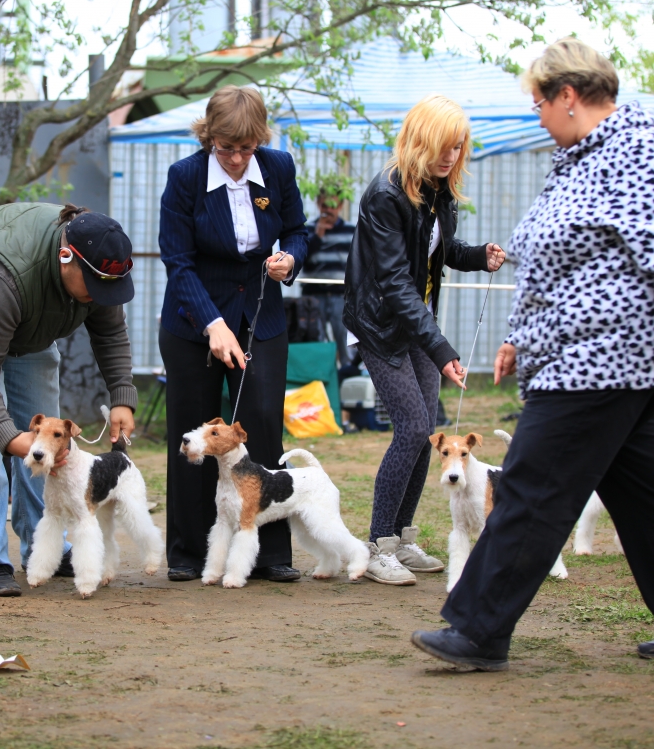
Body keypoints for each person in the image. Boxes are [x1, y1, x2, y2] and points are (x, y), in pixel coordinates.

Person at [412, 38, 654, 671]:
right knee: (653, 495)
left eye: (538, 101)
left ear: (569, 96)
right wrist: (518, 336)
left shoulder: (637, 152)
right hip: (584, 358)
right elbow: (559, 265)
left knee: (530, 487)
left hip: (601, 358)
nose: (535, 115)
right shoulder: (580, 159)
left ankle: (478, 631)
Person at [0, 203, 138, 596]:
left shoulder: (99, 264)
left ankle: (42, 548)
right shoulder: (8, 273)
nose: (100, 296)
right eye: (95, 285)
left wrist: (122, 395)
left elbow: (110, 333)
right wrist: (9, 436)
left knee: (48, 443)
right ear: (65, 257)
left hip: (28, 320)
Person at [343, 94, 506, 586]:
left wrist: (478, 255)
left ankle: (403, 538)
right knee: (413, 428)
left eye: (458, 148)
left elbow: (439, 249)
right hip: (380, 323)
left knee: (427, 430)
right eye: (442, 146)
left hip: (417, 320)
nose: (450, 156)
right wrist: (441, 349)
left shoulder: (440, 189)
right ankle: (377, 546)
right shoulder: (384, 195)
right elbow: (393, 281)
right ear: (418, 140)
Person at [159, 85, 308, 583]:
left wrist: (291, 259)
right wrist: (213, 324)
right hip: (192, 321)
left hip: (260, 316)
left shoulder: (279, 167)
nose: (238, 159)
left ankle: (268, 553)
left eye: (247, 148)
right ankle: (187, 552)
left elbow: (299, 231)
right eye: (226, 148)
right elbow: (178, 263)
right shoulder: (183, 178)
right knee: (195, 435)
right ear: (209, 138)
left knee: (261, 422)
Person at [301, 183, 355, 365]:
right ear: (318, 205)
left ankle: (347, 376)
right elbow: (301, 259)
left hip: (341, 295)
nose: (328, 211)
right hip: (314, 295)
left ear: (340, 206)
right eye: (324, 206)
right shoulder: (307, 230)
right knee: (318, 340)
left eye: (333, 206)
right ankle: (322, 376)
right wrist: (318, 236)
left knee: (345, 339)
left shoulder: (351, 230)